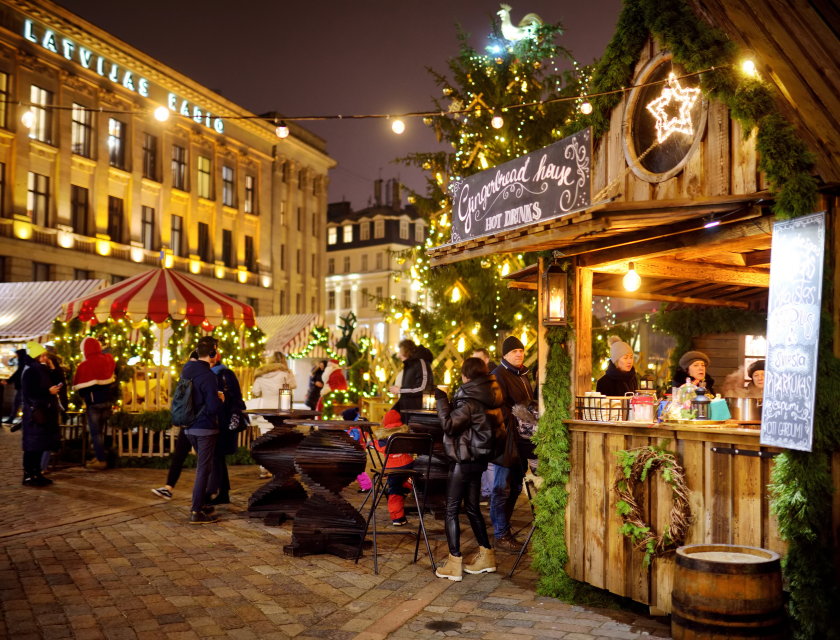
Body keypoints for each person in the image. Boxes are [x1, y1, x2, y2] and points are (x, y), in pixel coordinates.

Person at [433, 357, 505, 581]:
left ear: (465, 376)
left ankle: (454, 563)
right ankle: (486, 556)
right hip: (478, 460)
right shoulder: (491, 396)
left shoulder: (469, 401)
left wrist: (441, 398)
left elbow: (449, 424)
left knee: (451, 510)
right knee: (473, 507)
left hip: (463, 461)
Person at [490, 335, 534, 552]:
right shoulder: (498, 375)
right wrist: (517, 418)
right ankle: (500, 534)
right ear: (505, 354)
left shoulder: (524, 375)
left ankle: (504, 527)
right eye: (515, 351)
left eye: (521, 351)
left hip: (522, 440)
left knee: (516, 486)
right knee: (502, 488)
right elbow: (495, 407)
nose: (519, 354)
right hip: (506, 440)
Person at [179, 336, 224, 524]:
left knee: (204, 466)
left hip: (189, 426)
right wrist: (220, 398)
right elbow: (213, 407)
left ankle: (201, 505)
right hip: (204, 427)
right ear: (213, 353)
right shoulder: (209, 376)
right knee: (203, 469)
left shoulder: (186, 371)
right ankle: (196, 511)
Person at [152, 351, 199, 500]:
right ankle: (168, 487)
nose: (190, 365)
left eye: (193, 362)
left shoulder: (204, 377)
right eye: (189, 362)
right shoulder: (186, 378)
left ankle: (211, 490)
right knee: (179, 456)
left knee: (206, 460)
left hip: (200, 425)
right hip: (187, 424)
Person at [208, 348, 246, 505]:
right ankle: (223, 493)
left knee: (216, 456)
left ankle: (209, 492)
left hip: (224, 422)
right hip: (214, 421)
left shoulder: (225, 374)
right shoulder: (208, 375)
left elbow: (237, 398)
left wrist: (234, 415)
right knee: (218, 457)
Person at [20, 342, 61, 487]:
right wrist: (48, 392)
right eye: (42, 356)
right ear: (35, 357)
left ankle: (36, 473)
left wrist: (53, 367)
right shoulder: (31, 371)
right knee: (33, 446)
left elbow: (58, 380)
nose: (45, 358)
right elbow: (30, 392)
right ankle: (29, 475)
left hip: (43, 413)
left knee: (40, 444)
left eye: (45, 355)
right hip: (34, 415)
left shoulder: (43, 370)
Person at [73, 337, 116, 470]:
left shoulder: (85, 365)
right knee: (100, 431)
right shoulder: (107, 359)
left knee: (95, 432)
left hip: (94, 402)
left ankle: (101, 460)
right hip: (107, 401)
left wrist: (83, 397)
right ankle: (99, 456)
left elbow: (81, 386)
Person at [372, 409, 414, 526]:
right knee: (414, 476)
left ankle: (398, 518)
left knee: (394, 491)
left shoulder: (382, 439)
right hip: (408, 466)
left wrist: (372, 442)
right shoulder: (406, 434)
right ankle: (407, 485)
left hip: (392, 469)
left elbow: (377, 447)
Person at [389, 340, 434, 419]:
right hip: (408, 414)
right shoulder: (409, 366)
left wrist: (400, 390)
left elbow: (423, 387)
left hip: (418, 415)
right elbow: (406, 395)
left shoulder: (421, 363)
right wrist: (393, 411)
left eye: (400, 351)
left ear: (407, 351)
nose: (398, 355)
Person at [40, 347, 69, 474]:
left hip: (51, 406)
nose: (44, 359)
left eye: (46, 357)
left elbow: (61, 384)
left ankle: (42, 466)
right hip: (43, 406)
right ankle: (40, 466)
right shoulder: (38, 369)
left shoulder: (54, 370)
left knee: (47, 437)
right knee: (42, 437)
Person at [2, 348, 25, 424]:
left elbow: (17, 373)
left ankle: (22, 419)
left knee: (20, 403)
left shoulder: (22, 363)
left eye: (17, 355)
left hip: (21, 386)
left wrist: (8, 381)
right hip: (20, 386)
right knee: (17, 403)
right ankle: (13, 418)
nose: (16, 356)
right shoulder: (23, 362)